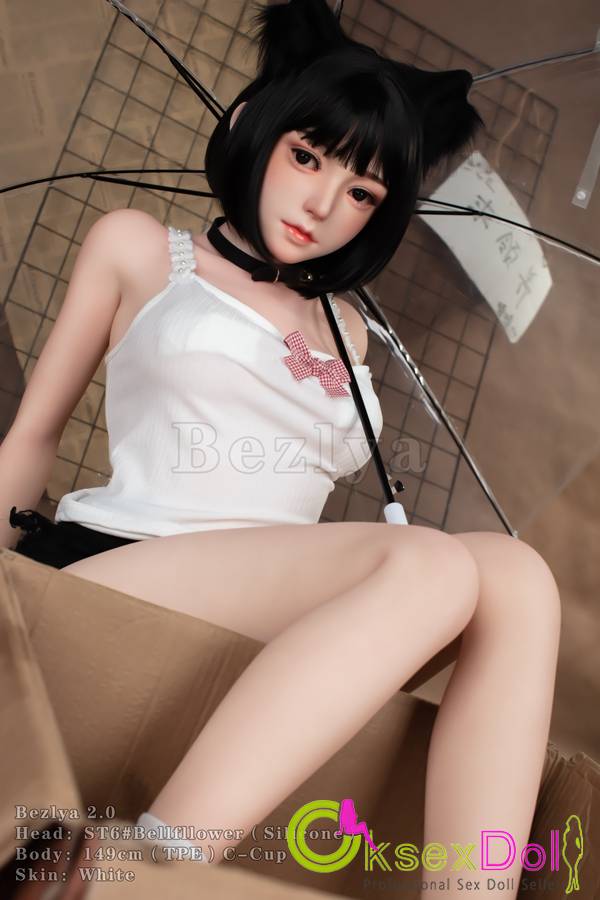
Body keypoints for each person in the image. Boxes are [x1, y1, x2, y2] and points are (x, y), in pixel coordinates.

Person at [0, 0, 561, 893]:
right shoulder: (142, 249)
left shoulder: (351, 332)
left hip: (266, 609)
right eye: (307, 156)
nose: (324, 205)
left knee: (518, 579)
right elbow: (35, 433)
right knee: (430, 566)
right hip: (121, 567)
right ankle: (151, 872)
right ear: (250, 126)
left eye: (364, 192)